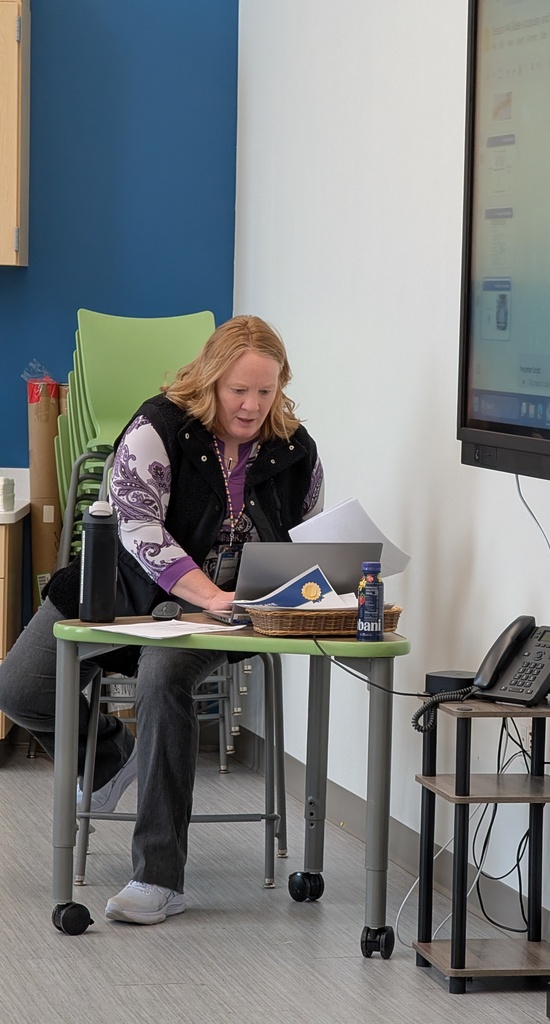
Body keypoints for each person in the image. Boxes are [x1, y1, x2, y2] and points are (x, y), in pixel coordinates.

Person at [0, 315, 324, 925]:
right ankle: (113, 760)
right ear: (210, 378)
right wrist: (207, 592)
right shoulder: (158, 426)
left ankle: (158, 878)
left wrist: (303, 588)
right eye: (239, 390)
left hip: (222, 615)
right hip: (117, 587)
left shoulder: (295, 446)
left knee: (163, 678)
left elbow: (308, 534)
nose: (253, 405)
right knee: (18, 688)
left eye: (266, 390)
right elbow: (139, 526)